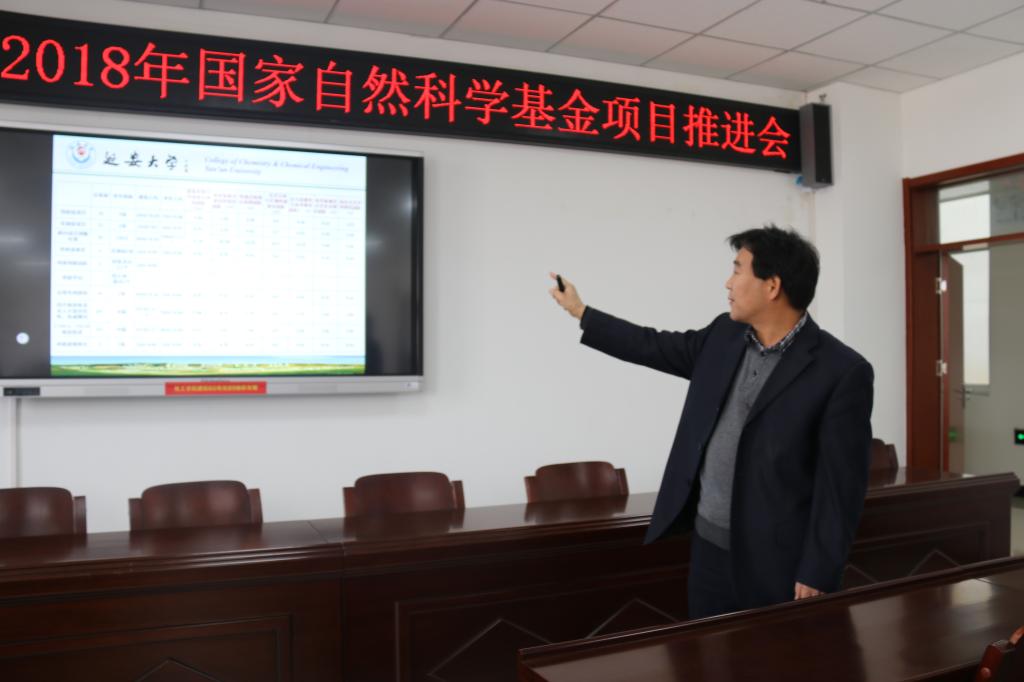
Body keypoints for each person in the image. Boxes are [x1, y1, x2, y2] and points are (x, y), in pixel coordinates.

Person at [549, 225, 874, 619]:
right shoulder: (724, 334)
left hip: (779, 563)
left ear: (772, 286)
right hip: (709, 549)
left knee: (772, 654)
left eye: (737, 270)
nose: (728, 282)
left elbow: (841, 487)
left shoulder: (841, 371)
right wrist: (581, 312)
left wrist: (818, 568)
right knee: (707, 651)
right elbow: (653, 345)